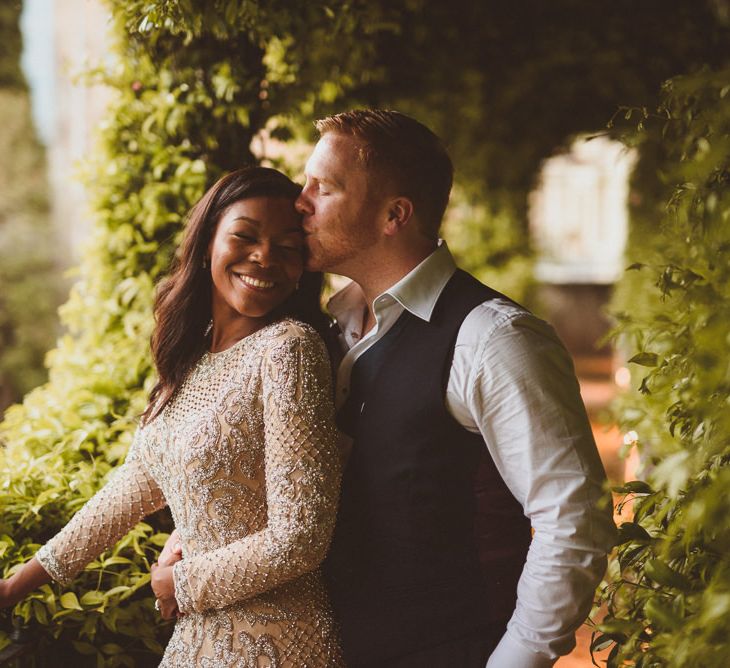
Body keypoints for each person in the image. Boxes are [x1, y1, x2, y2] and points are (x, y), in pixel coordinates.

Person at [160, 110, 616, 666]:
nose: (299, 202)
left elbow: (572, 522)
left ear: (394, 215)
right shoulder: (318, 332)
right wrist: (192, 547)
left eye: (322, 188)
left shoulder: (492, 338)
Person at [0, 167, 345, 667]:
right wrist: (17, 584)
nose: (264, 257)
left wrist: (178, 583)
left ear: (302, 269)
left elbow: (302, 537)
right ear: (208, 244)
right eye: (245, 236)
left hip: (278, 641)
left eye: (288, 248)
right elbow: (127, 491)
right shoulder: (184, 366)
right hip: (196, 639)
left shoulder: (288, 349)